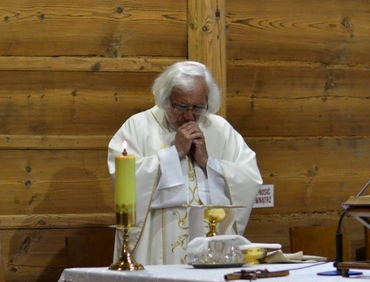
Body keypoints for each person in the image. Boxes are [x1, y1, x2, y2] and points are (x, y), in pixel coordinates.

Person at [108, 61, 263, 265]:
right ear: (166, 99)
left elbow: (249, 179)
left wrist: (209, 163)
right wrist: (175, 153)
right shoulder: (138, 127)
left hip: (209, 249)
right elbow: (125, 180)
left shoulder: (220, 130)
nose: (190, 116)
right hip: (157, 253)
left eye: (198, 107)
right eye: (181, 106)